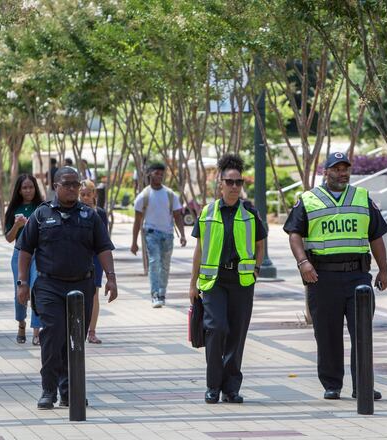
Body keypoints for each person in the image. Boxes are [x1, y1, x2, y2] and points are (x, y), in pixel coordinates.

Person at [284, 151, 387, 401]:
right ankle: (332, 384)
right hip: (322, 278)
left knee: (362, 333)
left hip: (358, 277)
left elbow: (376, 236)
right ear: (326, 172)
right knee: (327, 334)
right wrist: (303, 263)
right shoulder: (308, 199)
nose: (342, 173)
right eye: (337, 168)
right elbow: (294, 233)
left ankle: (362, 385)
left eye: (346, 168)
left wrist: (384, 269)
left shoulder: (362, 198)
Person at [16, 166, 118, 409]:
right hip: (49, 286)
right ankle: (48, 390)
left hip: (81, 286)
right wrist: (22, 283)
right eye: (67, 184)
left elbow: (103, 247)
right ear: (55, 187)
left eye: (76, 184)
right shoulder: (42, 215)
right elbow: (25, 250)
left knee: (75, 342)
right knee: (52, 338)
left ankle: (70, 392)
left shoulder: (89, 216)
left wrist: (111, 278)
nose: (73, 188)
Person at [188, 153, 267, 404]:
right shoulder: (207, 212)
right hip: (214, 281)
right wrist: (192, 283)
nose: (234, 187)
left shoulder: (250, 212)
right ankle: (213, 385)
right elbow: (199, 249)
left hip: (242, 282)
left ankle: (231, 388)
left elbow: (259, 242)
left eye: (238, 182)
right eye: (229, 182)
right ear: (220, 183)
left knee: (237, 334)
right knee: (216, 329)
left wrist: (256, 269)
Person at [130, 162, 187, 308]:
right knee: (154, 263)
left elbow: (177, 216)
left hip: (168, 235)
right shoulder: (144, 195)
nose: (159, 176)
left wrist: (182, 234)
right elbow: (137, 221)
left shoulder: (170, 194)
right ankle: (155, 294)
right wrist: (134, 242)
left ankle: (162, 292)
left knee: (165, 265)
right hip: (151, 234)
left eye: (162, 174)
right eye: (156, 173)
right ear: (149, 174)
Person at [5, 174, 44, 345]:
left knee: (36, 289)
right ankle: (21, 323)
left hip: (38, 255)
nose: (28, 190)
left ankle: (37, 331)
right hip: (19, 254)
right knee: (20, 291)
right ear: (19, 190)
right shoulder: (13, 210)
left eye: (31, 187)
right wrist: (17, 225)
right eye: (24, 188)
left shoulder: (42, 208)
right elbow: (8, 238)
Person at [79, 180, 108, 344]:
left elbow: (104, 238)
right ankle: (78, 329)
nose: (85, 198)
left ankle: (92, 331)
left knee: (94, 293)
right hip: (79, 257)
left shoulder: (100, 213)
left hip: (95, 258)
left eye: (88, 194)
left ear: (94, 195)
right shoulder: (74, 211)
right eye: (82, 195)